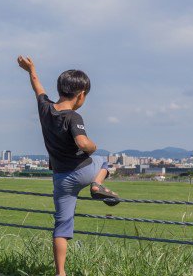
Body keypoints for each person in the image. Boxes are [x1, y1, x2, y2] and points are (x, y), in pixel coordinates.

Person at [17, 56, 120, 276]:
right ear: (81, 94)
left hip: (61, 178)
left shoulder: (45, 108)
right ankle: (97, 184)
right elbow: (83, 143)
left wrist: (31, 69)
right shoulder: (73, 116)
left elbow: (38, 87)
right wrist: (92, 147)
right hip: (84, 170)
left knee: (62, 225)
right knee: (103, 159)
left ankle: (60, 273)